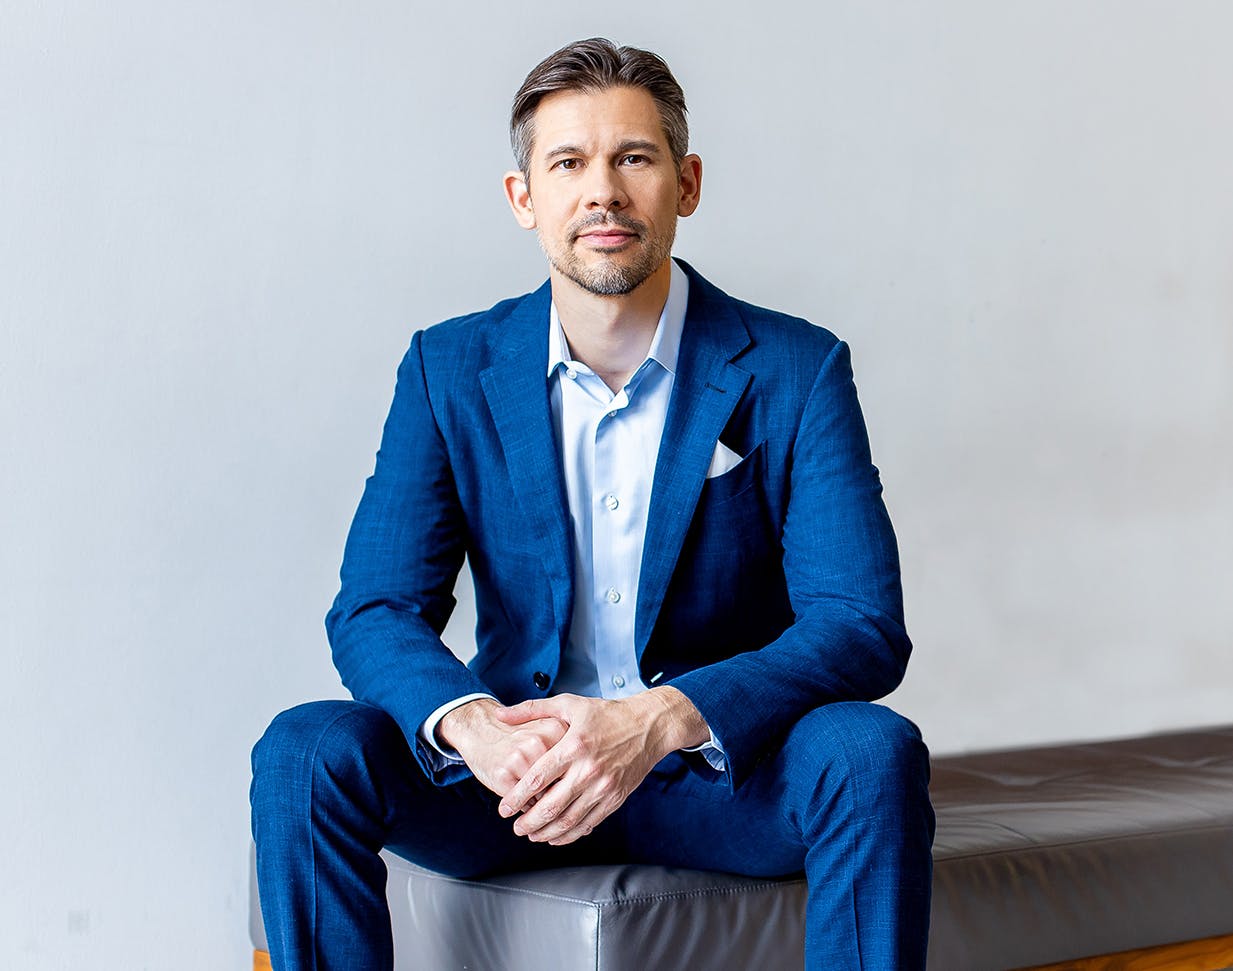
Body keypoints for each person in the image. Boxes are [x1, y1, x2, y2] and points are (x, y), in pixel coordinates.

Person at [251, 37, 934, 971]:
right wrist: (474, 726)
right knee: (306, 748)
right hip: (514, 778)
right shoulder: (448, 369)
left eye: (634, 158)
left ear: (685, 184)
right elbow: (374, 608)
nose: (602, 191)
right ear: (523, 197)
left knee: (868, 750)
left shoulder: (795, 367)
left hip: (712, 774)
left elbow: (859, 622)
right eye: (568, 163)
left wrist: (655, 719)